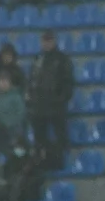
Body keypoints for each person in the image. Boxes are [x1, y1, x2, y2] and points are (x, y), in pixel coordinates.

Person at [27, 31, 75, 171]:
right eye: (44, 40)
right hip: (38, 106)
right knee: (39, 139)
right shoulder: (37, 58)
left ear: (54, 41)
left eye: (49, 40)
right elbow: (31, 80)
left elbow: (68, 82)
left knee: (60, 137)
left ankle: (61, 164)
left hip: (55, 106)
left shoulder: (62, 59)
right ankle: (41, 163)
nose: (46, 43)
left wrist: (61, 99)